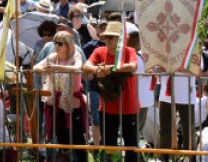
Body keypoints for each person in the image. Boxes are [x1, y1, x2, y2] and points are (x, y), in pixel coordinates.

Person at [84, 21, 138, 162]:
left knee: (131, 147)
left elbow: (133, 66)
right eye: (106, 37)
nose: (106, 40)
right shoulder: (99, 51)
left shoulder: (129, 51)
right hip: (107, 107)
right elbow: (86, 66)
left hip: (129, 107)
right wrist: (98, 69)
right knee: (109, 147)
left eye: (110, 37)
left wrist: (110, 68)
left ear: (120, 38)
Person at [34, 31, 85, 162]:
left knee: (77, 136)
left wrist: (56, 68)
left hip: (73, 103)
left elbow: (78, 68)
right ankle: (65, 158)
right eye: (55, 42)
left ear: (68, 45)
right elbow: (36, 67)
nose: (56, 45)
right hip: (55, 103)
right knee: (61, 136)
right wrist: (47, 68)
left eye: (60, 43)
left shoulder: (76, 55)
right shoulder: (52, 56)